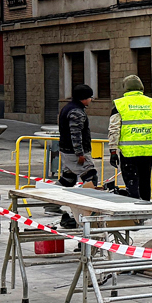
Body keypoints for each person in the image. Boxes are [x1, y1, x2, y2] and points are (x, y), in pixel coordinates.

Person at [108, 75, 152, 201]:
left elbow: (114, 130)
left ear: (125, 88)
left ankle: (134, 216)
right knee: (145, 183)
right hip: (147, 152)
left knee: (132, 185)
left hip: (128, 152)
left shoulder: (120, 104)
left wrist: (113, 151)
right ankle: (145, 211)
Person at [56, 83, 96, 227]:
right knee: (90, 176)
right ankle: (87, 210)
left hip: (67, 151)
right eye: (89, 97)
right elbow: (75, 134)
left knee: (68, 179)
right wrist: (80, 153)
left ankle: (51, 204)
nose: (91, 100)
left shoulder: (68, 108)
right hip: (75, 153)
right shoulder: (76, 112)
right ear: (83, 98)